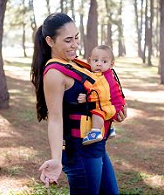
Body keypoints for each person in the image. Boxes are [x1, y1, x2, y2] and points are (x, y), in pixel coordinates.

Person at [30, 12, 127, 194]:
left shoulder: (75, 63)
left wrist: (114, 110)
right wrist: (56, 159)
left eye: (76, 37)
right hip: (81, 154)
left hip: (96, 147)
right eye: (68, 40)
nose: (75, 44)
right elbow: (55, 119)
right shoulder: (54, 73)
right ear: (50, 41)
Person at [77, 45, 125, 145]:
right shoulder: (109, 74)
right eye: (95, 60)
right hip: (117, 105)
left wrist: (87, 98)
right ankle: (110, 129)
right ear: (89, 61)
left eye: (104, 61)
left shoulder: (101, 78)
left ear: (111, 64)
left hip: (113, 106)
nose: (99, 64)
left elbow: (99, 94)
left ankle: (95, 132)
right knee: (103, 108)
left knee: (98, 110)